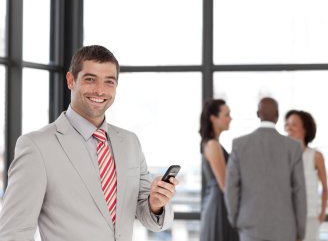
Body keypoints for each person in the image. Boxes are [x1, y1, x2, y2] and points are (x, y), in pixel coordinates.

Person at [0, 45, 178, 241]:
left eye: (109, 82)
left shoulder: (130, 142)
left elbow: (149, 218)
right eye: (90, 79)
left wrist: (156, 203)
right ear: (71, 80)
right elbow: (14, 232)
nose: (100, 90)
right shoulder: (36, 146)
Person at [225, 97, 306, 241]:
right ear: (277, 115)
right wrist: (300, 230)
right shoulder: (293, 147)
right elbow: (299, 191)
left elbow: (231, 187)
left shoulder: (239, 145)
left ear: (258, 114)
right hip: (285, 227)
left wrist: (235, 219)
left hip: (249, 225)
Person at [285, 110, 328, 241]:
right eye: (287, 124)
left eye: (294, 124)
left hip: (310, 216)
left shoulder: (315, 156)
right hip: (287, 216)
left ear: (305, 129)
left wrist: (322, 213)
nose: (289, 128)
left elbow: (325, 188)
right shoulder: (283, 156)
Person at [199, 99, 239, 241]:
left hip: (219, 203)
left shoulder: (213, 144)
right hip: (219, 205)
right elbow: (225, 184)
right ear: (213, 118)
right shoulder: (213, 145)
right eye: (227, 114)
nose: (230, 118)